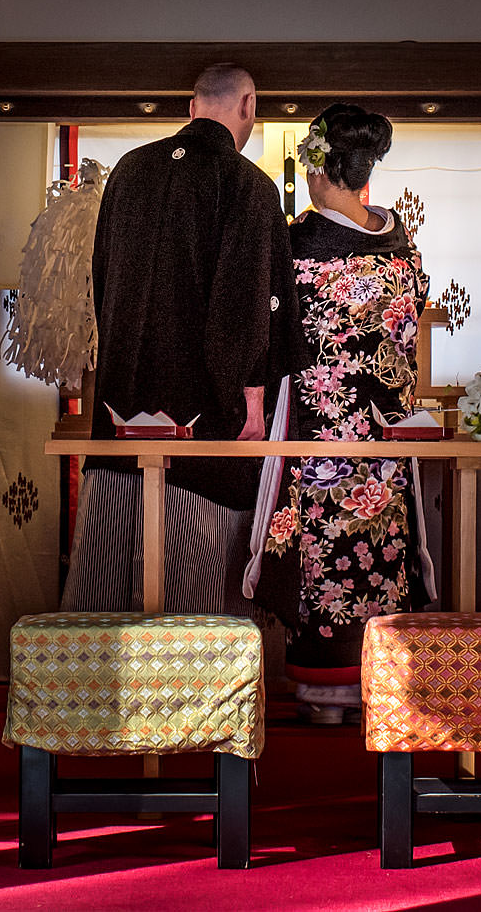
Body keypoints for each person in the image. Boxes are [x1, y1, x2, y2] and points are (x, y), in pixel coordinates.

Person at [62, 62, 294, 616]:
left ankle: (87, 696)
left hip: (120, 418)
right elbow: (246, 308)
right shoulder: (248, 186)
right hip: (202, 431)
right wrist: (252, 399)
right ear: (248, 108)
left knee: (105, 585)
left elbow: (103, 281)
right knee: (190, 597)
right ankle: (188, 701)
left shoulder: (129, 170)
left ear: (191, 108)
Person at [245, 105, 435, 724]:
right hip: (382, 436)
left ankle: (324, 694)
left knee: (320, 553)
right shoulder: (400, 245)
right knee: (378, 551)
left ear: (321, 169)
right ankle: (376, 686)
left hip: (317, 433)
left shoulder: (297, 245)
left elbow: (271, 334)